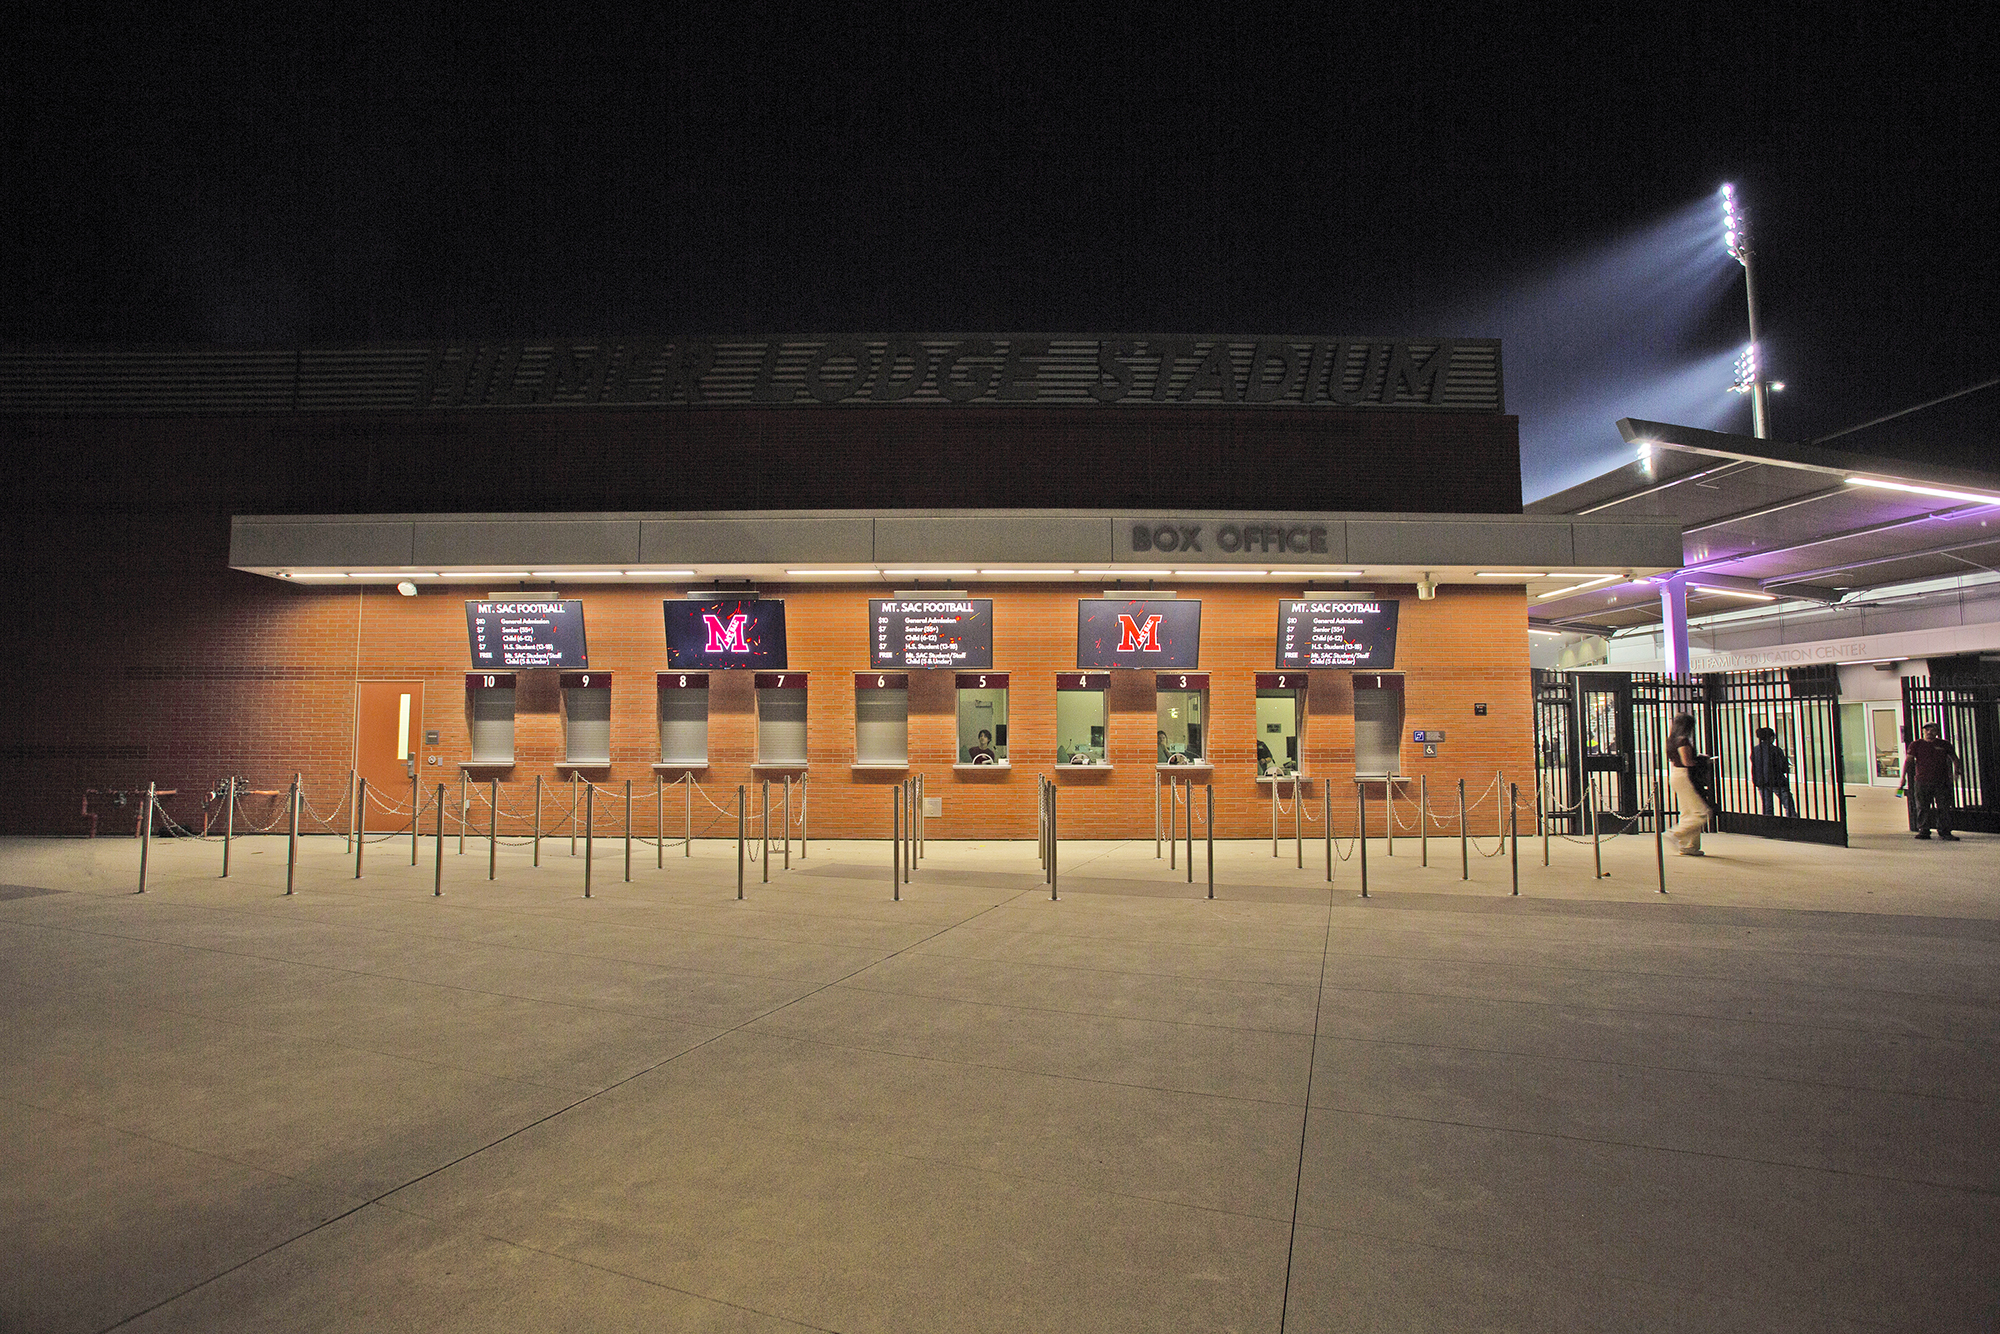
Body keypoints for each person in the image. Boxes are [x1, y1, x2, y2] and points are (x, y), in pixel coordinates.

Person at [1904, 722, 1961, 841]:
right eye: (1927, 730)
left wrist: (1957, 772)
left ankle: (1945, 831)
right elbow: (1909, 761)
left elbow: (1954, 758)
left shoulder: (1944, 744)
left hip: (1941, 781)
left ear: (1937, 732)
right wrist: (1903, 777)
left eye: (1932, 730)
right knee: (1922, 806)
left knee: (1943, 807)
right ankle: (1924, 830)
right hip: (1922, 780)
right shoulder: (1916, 745)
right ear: (1923, 731)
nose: (1929, 732)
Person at [1665, 712, 1710, 856]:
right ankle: (1676, 834)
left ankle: (1690, 846)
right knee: (1702, 813)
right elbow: (1687, 762)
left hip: (1676, 774)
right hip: (1686, 776)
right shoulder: (1683, 741)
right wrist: (1703, 760)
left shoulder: (1671, 740)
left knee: (1688, 811)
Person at [1749, 727, 1797, 818]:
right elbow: (1782, 766)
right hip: (1776, 781)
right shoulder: (1775, 750)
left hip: (1761, 781)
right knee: (1788, 804)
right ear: (1771, 737)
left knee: (1767, 806)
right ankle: (1792, 821)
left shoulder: (1756, 750)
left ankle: (1768, 824)